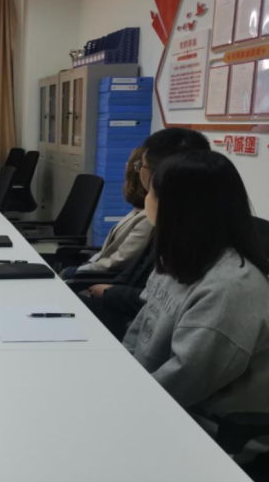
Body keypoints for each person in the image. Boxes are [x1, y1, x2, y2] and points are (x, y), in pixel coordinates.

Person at [123, 150, 269, 439]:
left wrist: (120, 403)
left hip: (206, 431)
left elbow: (184, 381)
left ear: (177, 208)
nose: (146, 199)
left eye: (152, 192)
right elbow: (140, 329)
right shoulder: (179, 259)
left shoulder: (230, 289)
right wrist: (118, 376)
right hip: (155, 402)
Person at [75, 127, 210, 340]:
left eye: (140, 166)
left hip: (131, 316)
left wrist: (112, 292)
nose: (136, 171)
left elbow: (159, 303)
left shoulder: (191, 239)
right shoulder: (170, 223)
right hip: (134, 319)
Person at [60, 146, 151, 279]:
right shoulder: (140, 210)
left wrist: (76, 271)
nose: (126, 168)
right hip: (97, 270)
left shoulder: (148, 218)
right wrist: (86, 265)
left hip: (105, 280)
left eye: (129, 165)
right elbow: (106, 253)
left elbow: (119, 261)